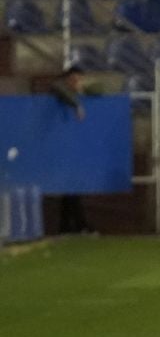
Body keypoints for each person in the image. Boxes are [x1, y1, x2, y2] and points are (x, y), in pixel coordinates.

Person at [47, 64, 92, 235]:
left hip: (70, 150)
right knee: (71, 190)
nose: (76, 83)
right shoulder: (59, 90)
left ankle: (68, 226)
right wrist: (76, 104)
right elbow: (57, 87)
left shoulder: (77, 94)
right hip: (58, 150)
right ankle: (78, 225)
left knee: (71, 191)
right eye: (74, 80)